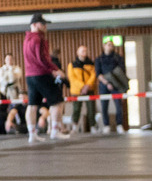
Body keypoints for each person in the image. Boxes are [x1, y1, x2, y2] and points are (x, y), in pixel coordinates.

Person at [22, 14, 68, 142]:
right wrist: (55, 70)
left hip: (29, 75)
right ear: (34, 24)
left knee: (32, 105)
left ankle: (32, 134)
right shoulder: (39, 39)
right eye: (42, 24)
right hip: (42, 74)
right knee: (57, 102)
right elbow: (42, 58)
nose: (45, 26)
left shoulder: (26, 40)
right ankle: (54, 131)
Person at [94, 40, 127, 134]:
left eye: (112, 45)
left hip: (116, 85)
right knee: (104, 106)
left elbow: (121, 72)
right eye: (108, 45)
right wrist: (107, 83)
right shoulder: (99, 59)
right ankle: (106, 125)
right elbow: (98, 74)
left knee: (118, 105)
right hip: (104, 85)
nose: (110, 47)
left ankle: (119, 125)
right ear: (104, 46)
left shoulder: (118, 58)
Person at [67, 45, 97, 134]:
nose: (84, 52)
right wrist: (82, 86)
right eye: (82, 50)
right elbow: (72, 78)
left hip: (89, 89)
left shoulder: (91, 64)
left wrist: (88, 86)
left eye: (85, 50)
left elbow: (93, 75)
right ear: (77, 52)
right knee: (76, 109)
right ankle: (75, 126)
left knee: (91, 109)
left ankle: (93, 126)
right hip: (77, 91)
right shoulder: (72, 64)